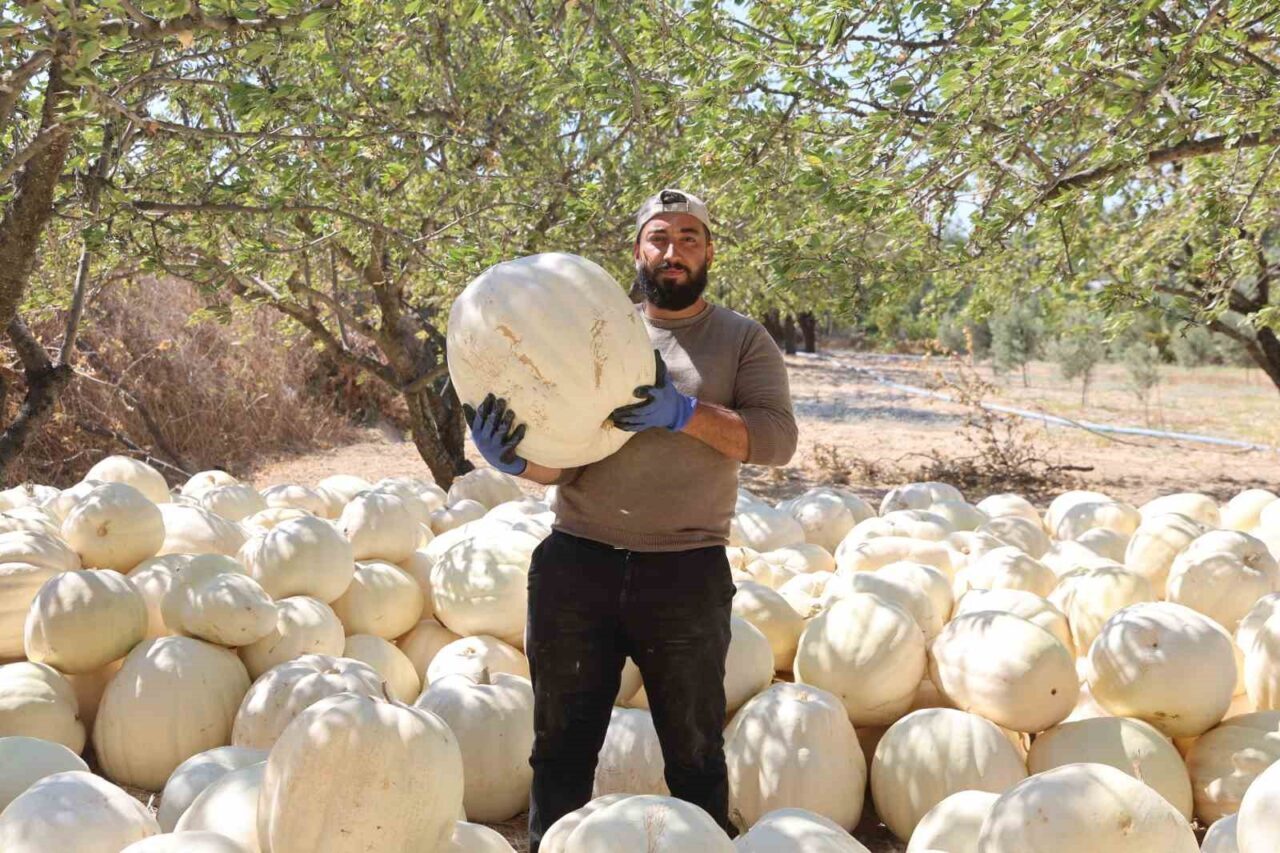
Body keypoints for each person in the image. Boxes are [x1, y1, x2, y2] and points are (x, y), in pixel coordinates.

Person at [463, 188, 797, 850]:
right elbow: (564, 463)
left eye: (689, 238)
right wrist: (514, 460)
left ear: (709, 251)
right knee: (559, 746)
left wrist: (687, 413)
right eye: (659, 238)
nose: (673, 252)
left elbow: (777, 440)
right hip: (576, 563)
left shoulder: (740, 339)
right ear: (638, 250)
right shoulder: (586, 328)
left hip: (685, 572)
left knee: (695, 750)